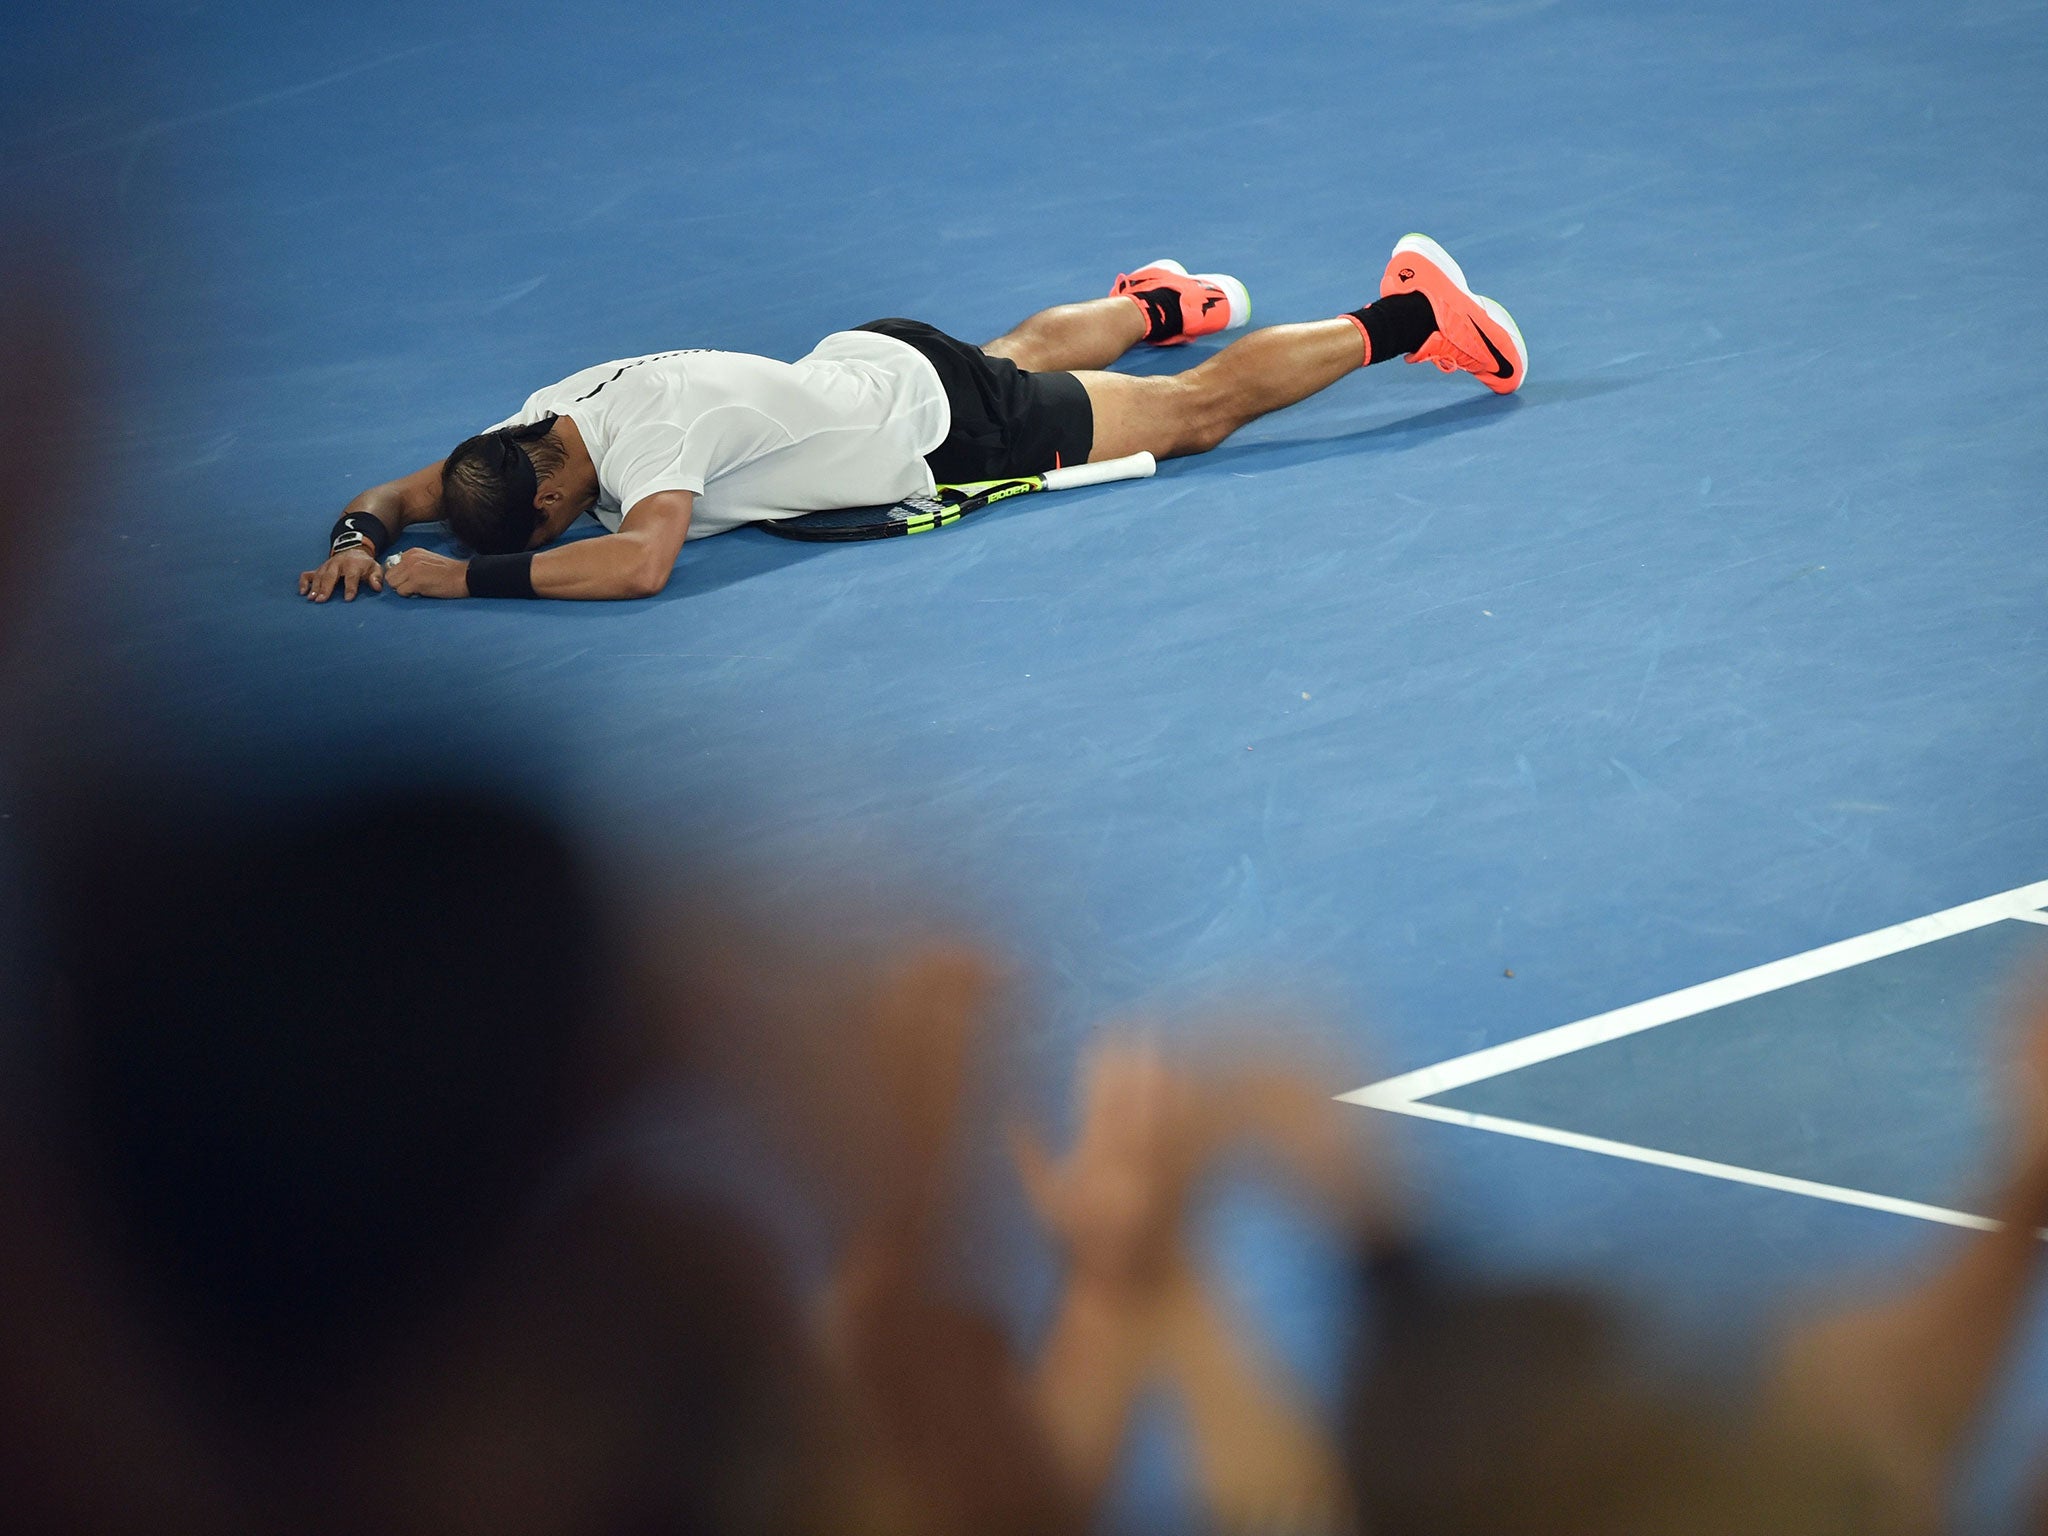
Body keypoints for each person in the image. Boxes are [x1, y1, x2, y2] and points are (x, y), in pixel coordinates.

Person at [299, 235, 1526, 603]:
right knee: (1028, 352)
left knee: (1191, 418)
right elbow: (411, 492)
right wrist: (361, 538)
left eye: (537, 536)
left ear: (554, 497)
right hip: (876, 356)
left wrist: (460, 587)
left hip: (943, 429)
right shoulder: (538, 420)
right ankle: (1158, 302)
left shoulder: (645, 454)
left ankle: (1410, 319)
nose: (545, 540)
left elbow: (642, 562)